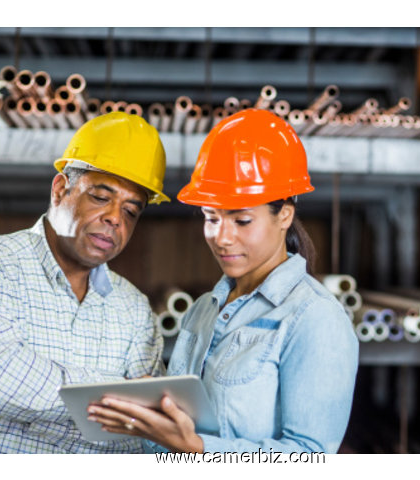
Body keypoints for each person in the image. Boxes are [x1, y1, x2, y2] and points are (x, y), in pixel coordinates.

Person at [87, 109, 359, 454]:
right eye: (211, 218)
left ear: (285, 215)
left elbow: (310, 456)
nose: (222, 238)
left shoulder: (315, 318)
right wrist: (153, 406)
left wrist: (198, 449)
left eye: (242, 220)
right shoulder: (203, 310)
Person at [0, 112, 170, 453]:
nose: (115, 218)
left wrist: (119, 401)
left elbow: (145, 428)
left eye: (131, 210)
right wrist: (122, 392)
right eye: (101, 196)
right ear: (60, 189)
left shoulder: (133, 309)